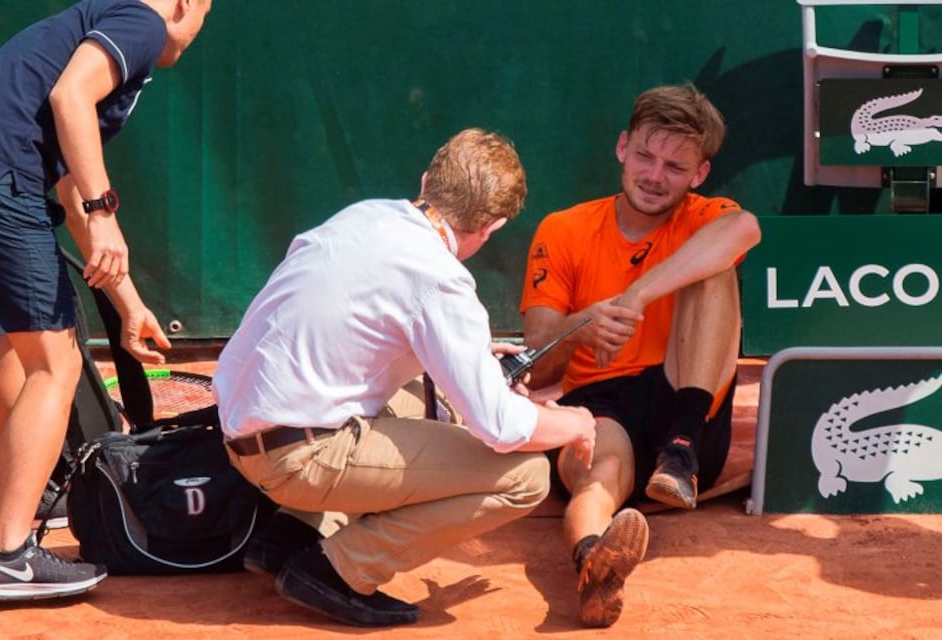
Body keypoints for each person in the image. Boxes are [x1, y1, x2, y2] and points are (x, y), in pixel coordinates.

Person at [212, 127, 598, 627]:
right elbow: (502, 428)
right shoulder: (441, 278)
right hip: (294, 459)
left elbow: (353, 324)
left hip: (241, 433)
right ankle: (337, 570)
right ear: (494, 225)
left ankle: (290, 535)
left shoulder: (364, 215)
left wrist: (474, 356)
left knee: (425, 395)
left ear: (427, 182)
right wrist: (575, 422)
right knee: (525, 476)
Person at [0, 0, 212, 600]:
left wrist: (130, 305)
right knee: (58, 362)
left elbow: (72, 190)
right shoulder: (143, 24)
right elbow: (70, 98)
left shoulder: (95, 27)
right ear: (185, 2)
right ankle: (10, 555)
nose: (202, 26)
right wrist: (107, 217)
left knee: (20, 341)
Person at [518, 83, 762, 627]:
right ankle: (592, 563)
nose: (655, 176)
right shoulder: (563, 229)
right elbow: (535, 365)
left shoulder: (706, 217)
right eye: (646, 157)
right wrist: (583, 324)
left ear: (699, 174)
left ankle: (680, 454)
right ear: (622, 147)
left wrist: (636, 296)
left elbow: (745, 228)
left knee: (716, 264)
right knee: (600, 471)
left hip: (688, 407)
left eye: (676, 167)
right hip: (600, 403)